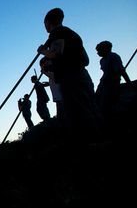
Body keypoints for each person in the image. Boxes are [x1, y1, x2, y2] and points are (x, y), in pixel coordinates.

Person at [37, 8, 100, 136]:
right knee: (90, 108)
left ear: (48, 22)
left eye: (44, 24)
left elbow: (56, 54)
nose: (45, 27)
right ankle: (99, 138)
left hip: (70, 78)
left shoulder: (57, 33)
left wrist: (42, 51)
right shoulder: (72, 34)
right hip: (82, 75)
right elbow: (86, 60)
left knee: (76, 112)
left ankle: (88, 144)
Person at [95, 40, 131, 121]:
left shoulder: (114, 56)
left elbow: (121, 71)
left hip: (112, 83)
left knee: (105, 104)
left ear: (105, 49)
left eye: (99, 50)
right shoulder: (102, 60)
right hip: (103, 82)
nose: (97, 53)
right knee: (96, 100)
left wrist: (128, 82)